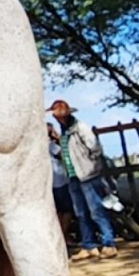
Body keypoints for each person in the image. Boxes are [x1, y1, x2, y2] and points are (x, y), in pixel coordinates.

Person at [47, 100, 118, 260]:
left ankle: (108, 242)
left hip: (87, 174)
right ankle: (89, 245)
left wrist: (91, 165)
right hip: (73, 176)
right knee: (81, 213)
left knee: (96, 210)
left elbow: (95, 147)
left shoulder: (80, 128)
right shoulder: (65, 132)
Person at [47, 123, 74, 238]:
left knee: (58, 211)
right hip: (59, 181)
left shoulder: (41, 146)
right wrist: (59, 139)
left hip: (52, 181)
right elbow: (63, 155)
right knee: (67, 210)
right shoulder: (50, 145)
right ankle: (63, 235)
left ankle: (61, 236)